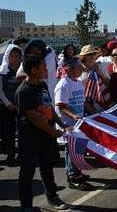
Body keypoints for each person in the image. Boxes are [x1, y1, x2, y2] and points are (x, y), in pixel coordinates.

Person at [16, 54, 69, 211]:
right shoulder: (23, 92)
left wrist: (60, 123)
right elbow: (35, 119)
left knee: (47, 167)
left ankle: (52, 197)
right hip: (30, 137)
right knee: (27, 171)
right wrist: (54, 132)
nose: (47, 69)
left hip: (46, 135)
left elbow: (49, 107)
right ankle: (26, 205)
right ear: (33, 70)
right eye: (43, 67)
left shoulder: (42, 85)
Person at [54, 57, 93, 190]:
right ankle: (72, 177)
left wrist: (94, 112)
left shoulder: (77, 82)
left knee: (78, 148)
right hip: (68, 123)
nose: (81, 69)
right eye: (78, 67)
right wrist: (73, 116)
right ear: (68, 69)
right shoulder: (63, 85)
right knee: (70, 150)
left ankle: (77, 172)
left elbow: (83, 102)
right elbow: (61, 106)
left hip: (77, 123)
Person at [17, 40, 58, 104]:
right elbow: (18, 76)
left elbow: (44, 74)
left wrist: (30, 74)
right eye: (33, 52)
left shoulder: (49, 57)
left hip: (50, 95)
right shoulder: (28, 59)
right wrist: (32, 75)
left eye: (38, 51)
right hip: (32, 95)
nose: (35, 55)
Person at [0, 44, 22, 165]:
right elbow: (0, 90)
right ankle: (10, 154)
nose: (14, 58)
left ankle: (21, 154)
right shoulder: (2, 71)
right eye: (12, 55)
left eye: (17, 56)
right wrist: (8, 104)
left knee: (22, 131)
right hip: (6, 106)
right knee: (8, 132)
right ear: (8, 56)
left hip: (21, 106)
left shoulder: (23, 70)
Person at [78, 45, 105, 112]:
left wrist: (99, 73)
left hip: (97, 105)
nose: (92, 57)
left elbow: (107, 83)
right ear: (84, 57)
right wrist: (93, 111)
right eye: (89, 55)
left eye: (94, 54)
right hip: (84, 107)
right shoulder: (78, 70)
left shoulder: (97, 68)